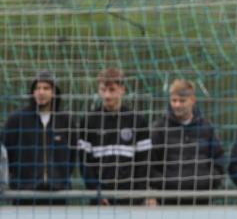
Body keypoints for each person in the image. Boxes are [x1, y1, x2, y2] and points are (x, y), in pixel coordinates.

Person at [78, 68, 153, 206]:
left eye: (112, 90)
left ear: (122, 90)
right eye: (103, 90)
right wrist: (96, 192)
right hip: (100, 199)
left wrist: (136, 195)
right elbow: (84, 162)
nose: (107, 95)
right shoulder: (89, 121)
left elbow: (144, 162)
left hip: (130, 199)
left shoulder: (137, 120)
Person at [1, 71, 77, 204]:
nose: (41, 92)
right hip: (24, 193)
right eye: (37, 88)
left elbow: (72, 155)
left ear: (54, 92)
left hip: (58, 193)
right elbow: (6, 152)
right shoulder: (17, 119)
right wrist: (16, 179)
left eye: (46, 88)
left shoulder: (66, 120)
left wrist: (60, 178)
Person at [148, 79, 225, 205]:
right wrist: (164, 184)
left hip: (201, 201)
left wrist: (208, 182)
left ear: (192, 100)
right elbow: (150, 164)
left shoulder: (207, 128)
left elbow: (219, 159)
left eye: (182, 101)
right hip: (168, 202)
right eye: (174, 100)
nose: (177, 105)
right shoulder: (159, 128)